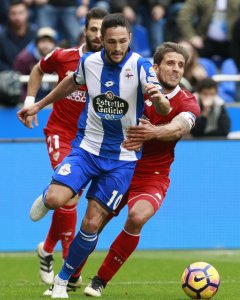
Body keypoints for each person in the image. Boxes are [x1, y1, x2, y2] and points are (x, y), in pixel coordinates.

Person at [17, 13, 170, 298]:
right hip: (87, 148)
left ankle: (61, 282)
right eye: (111, 41)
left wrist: (159, 98)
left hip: (122, 160)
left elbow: (161, 109)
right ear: (102, 40)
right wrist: (38, 105)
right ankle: (47, 193)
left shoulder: (140, 66)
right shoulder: (89, 62)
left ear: (130, 40)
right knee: (55, 199)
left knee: (91, 223)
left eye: (122, 42)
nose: (116, 47)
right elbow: (70, 83)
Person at [83, 41, 200, 298]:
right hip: (119, 165)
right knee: (93, 225)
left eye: (181, 65)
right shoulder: (134, 88)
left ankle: (99, 281)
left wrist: (152, 132)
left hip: (153, 175)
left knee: (136, 217)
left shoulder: (188, 102)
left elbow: (179, 127)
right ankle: (69, 275)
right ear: (155, 67)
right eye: (170, 63)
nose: (176, 69)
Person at [20, 7, 109, 292]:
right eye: (93, 29)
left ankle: (46, 250)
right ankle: (69, 269)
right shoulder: (63, 56)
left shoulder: (113, 66)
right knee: (68, 200)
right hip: (60, 133)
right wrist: (31, 100)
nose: (98, 35)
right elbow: (37, 69)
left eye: (102, 30)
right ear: (85, 30)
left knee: (67, 199)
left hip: (89, 142)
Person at [13, 26, 57, 102]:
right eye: (42, 41)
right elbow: (17, 85)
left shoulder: (60, 58)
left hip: (53, 101)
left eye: (49, 41)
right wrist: (28, 102)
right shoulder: (24, 59)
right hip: (30, 100)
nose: (46, 45)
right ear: (36, 43)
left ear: (54, 44)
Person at [0, 0, 37, 71]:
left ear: (27, 13)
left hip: (32, 75)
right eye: (13, 14)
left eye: (21, 13)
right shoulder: (2, 36)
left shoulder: (36, 34)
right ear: (8, 15)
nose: (17, 17)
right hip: (8, 77)